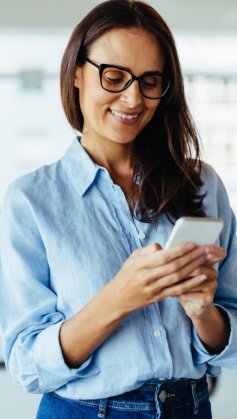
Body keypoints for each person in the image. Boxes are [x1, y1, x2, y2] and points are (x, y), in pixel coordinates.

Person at [0, 1, 237, 418]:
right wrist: (118, 299)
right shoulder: (30, 200)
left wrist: (204, 313)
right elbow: (26, 365)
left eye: (150, 81)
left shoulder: (201, 184)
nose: (132, 98)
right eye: (114, 77)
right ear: (76, 72)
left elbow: (230, 337)